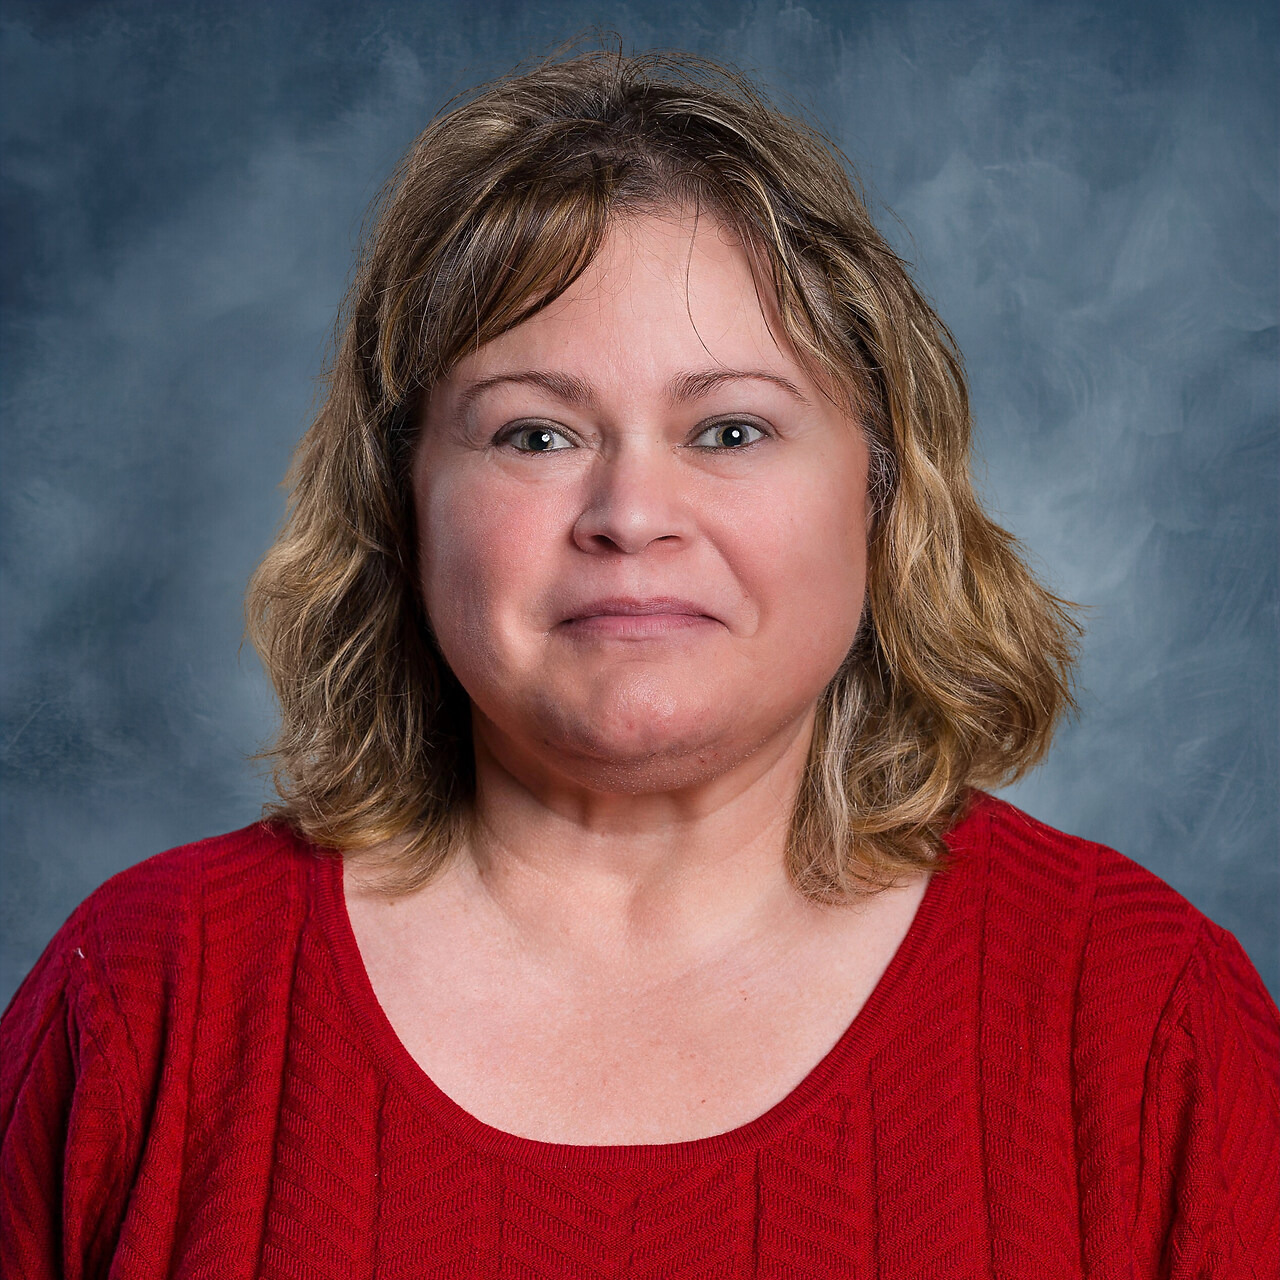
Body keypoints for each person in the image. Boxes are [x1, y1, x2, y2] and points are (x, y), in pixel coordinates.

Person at [2, 42, 1276, 1280]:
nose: (629, 514)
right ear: (402, 501)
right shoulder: (143, 997)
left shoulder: (1144, 1017)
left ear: (882, 492)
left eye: (728, 428)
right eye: (535, 433)